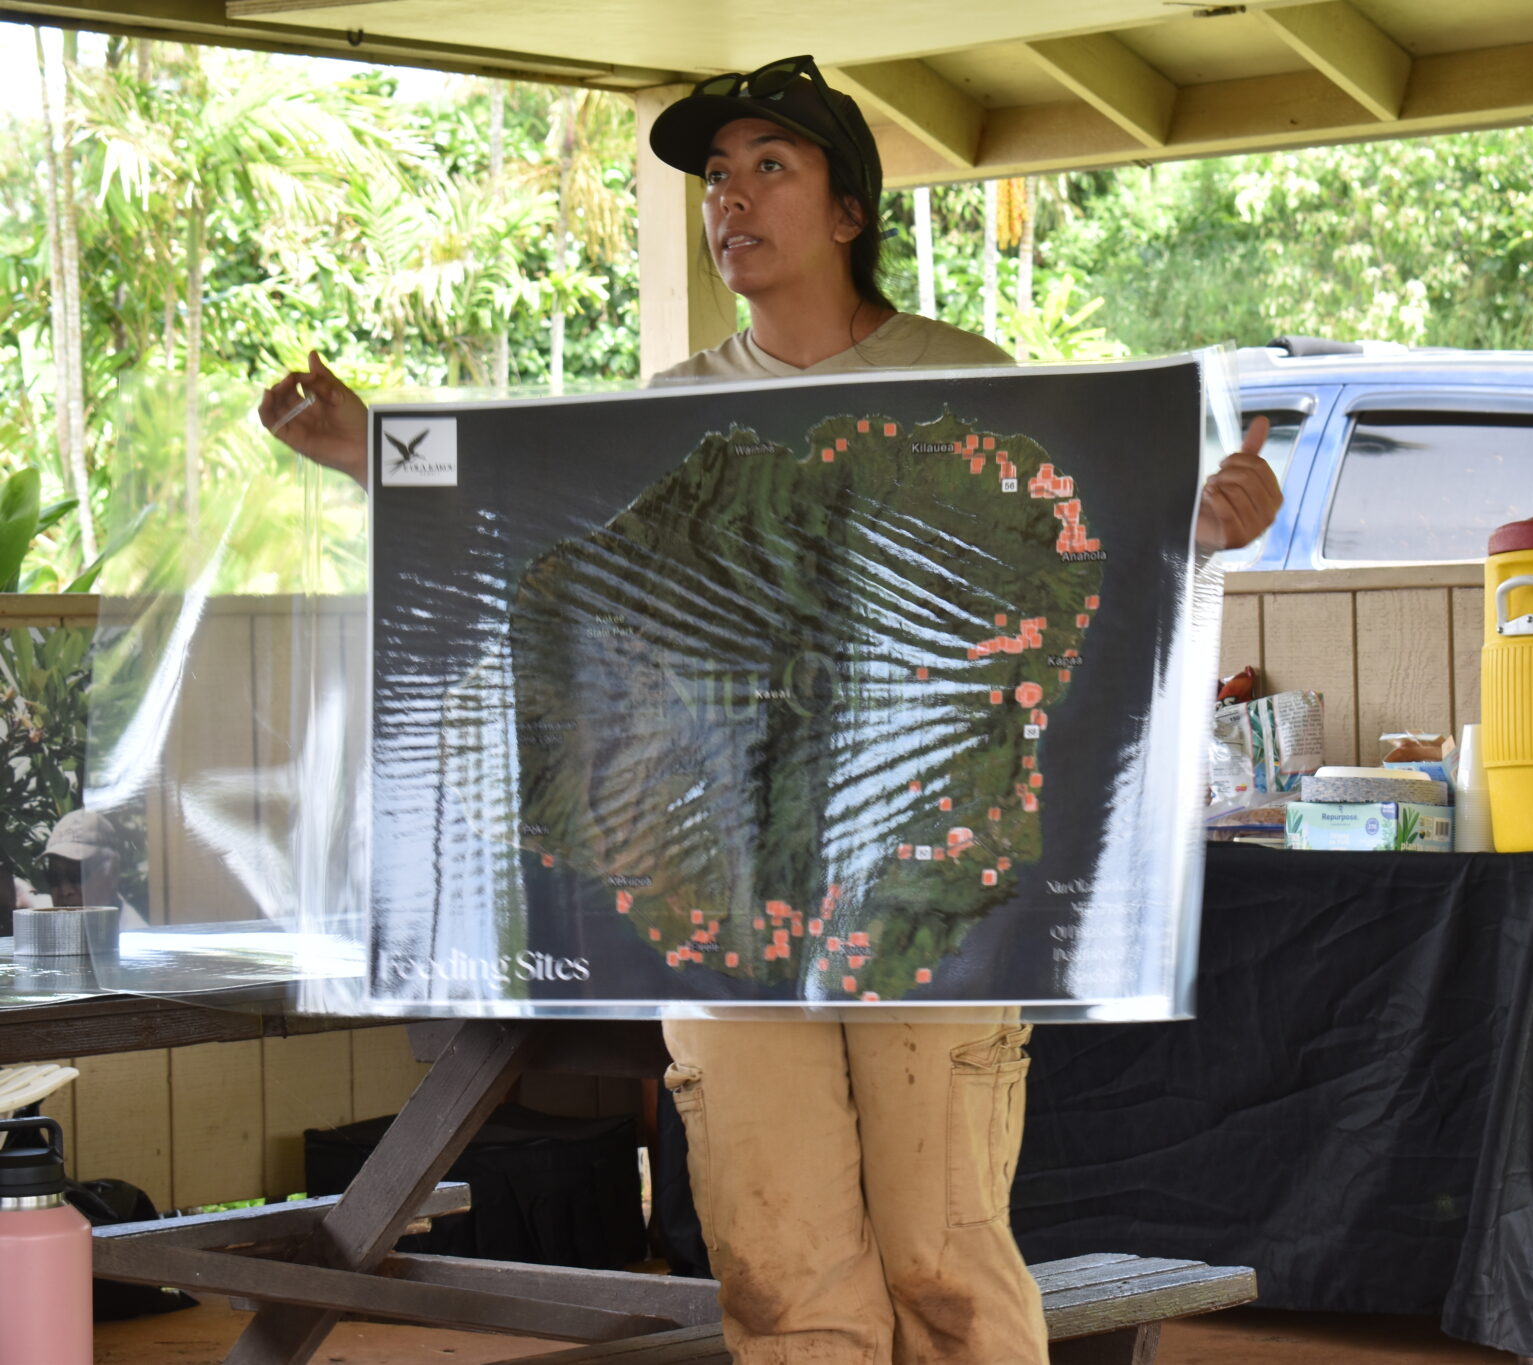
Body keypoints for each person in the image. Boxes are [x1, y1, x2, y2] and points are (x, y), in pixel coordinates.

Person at [261, 54, 1281, 1365]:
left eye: (768, 168)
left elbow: (1085, 568)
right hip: (724, 900)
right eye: (712, 177)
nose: (730, 199)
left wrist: (1197, 527)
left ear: (848, 210)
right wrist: (372, 459)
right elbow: (537, 556)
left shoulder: (970, 381)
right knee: (780, 1263)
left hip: (932, 891)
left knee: (943, 1257)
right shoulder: (673, 417)